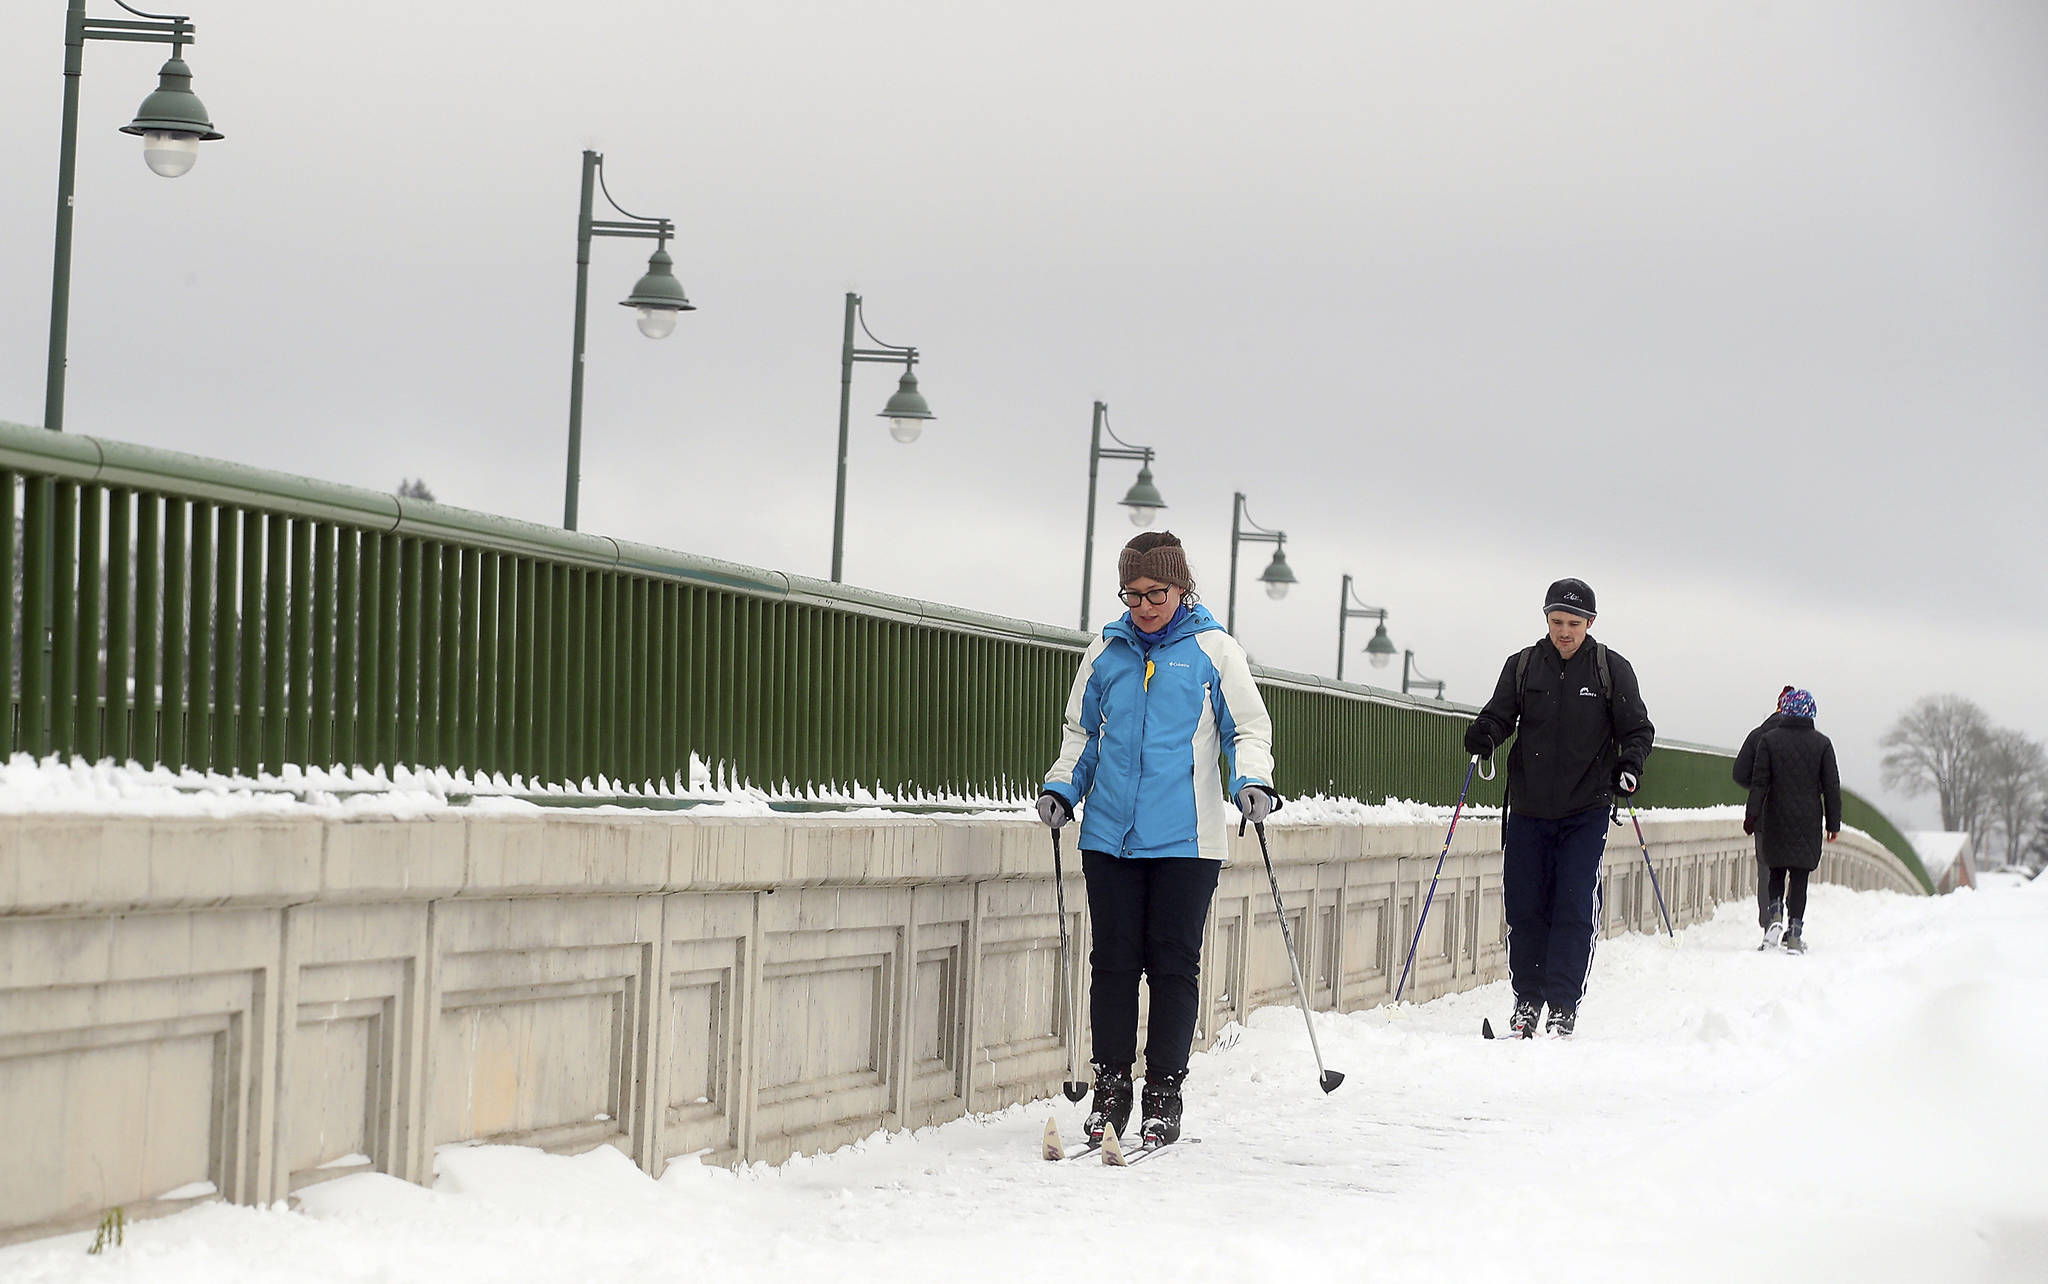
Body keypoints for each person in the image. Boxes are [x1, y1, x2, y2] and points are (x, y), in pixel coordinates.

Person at [1035, 531, 1278, 1147]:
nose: (1144, 605)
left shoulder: (1213, 651)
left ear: (1181, 588)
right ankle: (1111, 1088)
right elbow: (1081, 735)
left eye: (1157, 592)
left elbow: (1246, 728)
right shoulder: (1106, 653)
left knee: (1172, 965)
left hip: (1186, 842)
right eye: (1133, 593)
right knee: (1113, 963)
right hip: (1109, 836)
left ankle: (1164, 1092)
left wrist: (1253, 780)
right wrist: (1063, 787)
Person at [1462, 578, 1654, 1037]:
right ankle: (1527, 1000)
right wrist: (1485, 732)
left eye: (1573, 623)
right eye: (1556, 621)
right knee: (1525, 906)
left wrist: (1630, 764)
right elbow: (1500, 714)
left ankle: (1563, 1003)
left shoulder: (1611, 669)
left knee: (1572, 905)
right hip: (1528, 807)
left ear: (1590, 623)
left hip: (1585, 809)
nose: (1564, 631)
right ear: (1546, 620)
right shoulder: (1525, 666)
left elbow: (1637, 730)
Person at [1744, 688, 1841, 953]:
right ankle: (1795, 936)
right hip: (1809, 819)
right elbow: (1832, 787)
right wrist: (1833, 824)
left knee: (1775, 870)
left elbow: (1759, 782)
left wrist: (1751, 815)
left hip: (1776, 815)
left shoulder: (1769, 741)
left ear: (1786, 710)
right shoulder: (1823, 744)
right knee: (1799, 878)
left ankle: (1774, 914)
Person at [1732, 687, 1795, 930]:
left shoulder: (1758, 734)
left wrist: (1759, 787)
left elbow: (1738, 773)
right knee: (1792, 869)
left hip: (1764, 814)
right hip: (1794, 813)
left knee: (1766, 869)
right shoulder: (1808, 739)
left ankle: (1768, 921)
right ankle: (1790, 919)